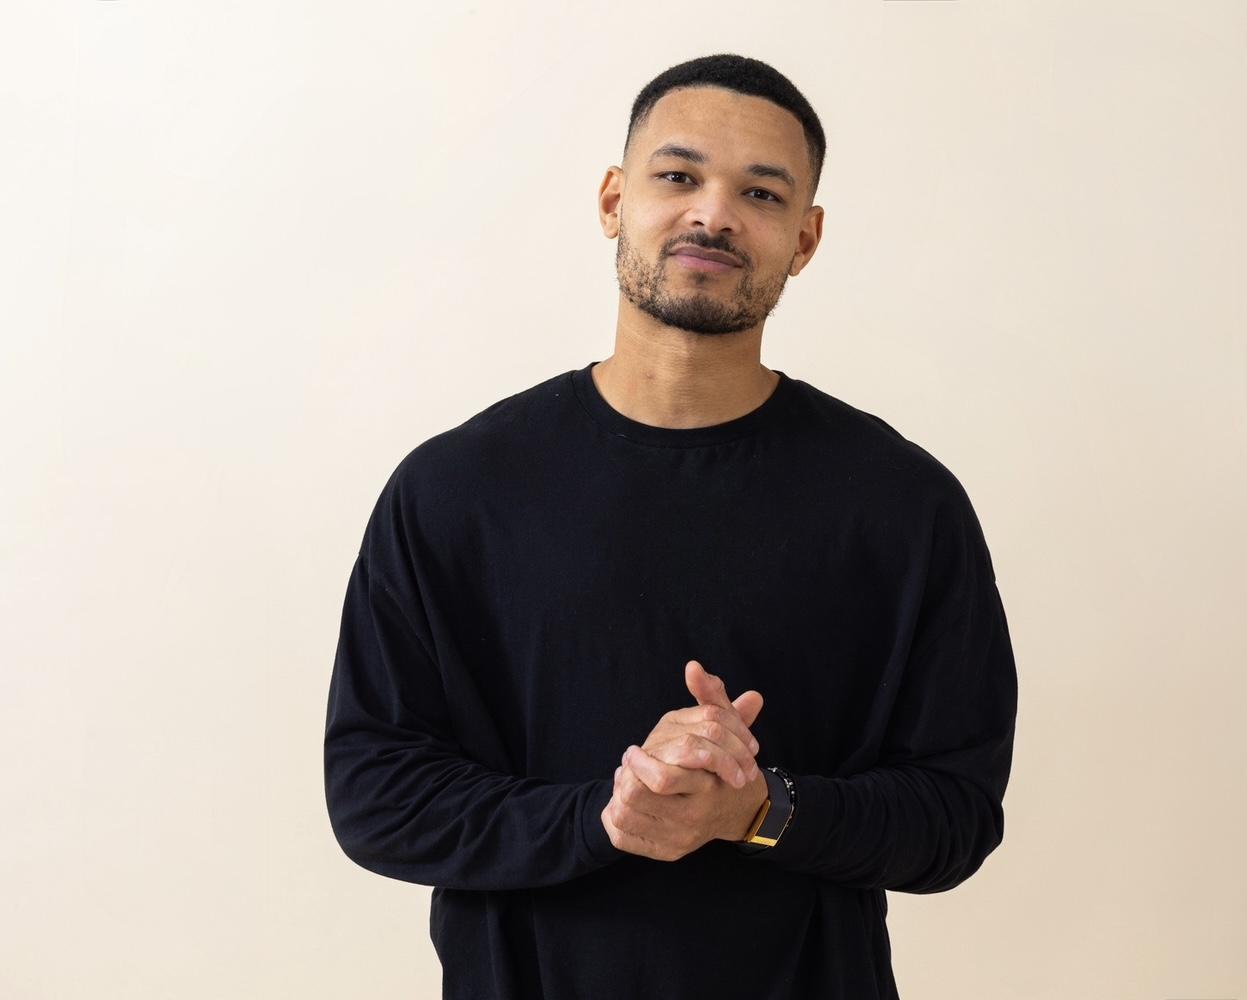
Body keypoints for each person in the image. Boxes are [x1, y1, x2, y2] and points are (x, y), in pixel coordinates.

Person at [323, 52, 1018, 1000]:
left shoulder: (902, 505)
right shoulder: (454, 490)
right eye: (679, 176)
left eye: (761, 194)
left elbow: (957, 813)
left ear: (806, 239)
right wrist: (605, 817)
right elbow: (375, 794)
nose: (713, 215)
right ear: (615, 200)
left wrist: (758, 809)